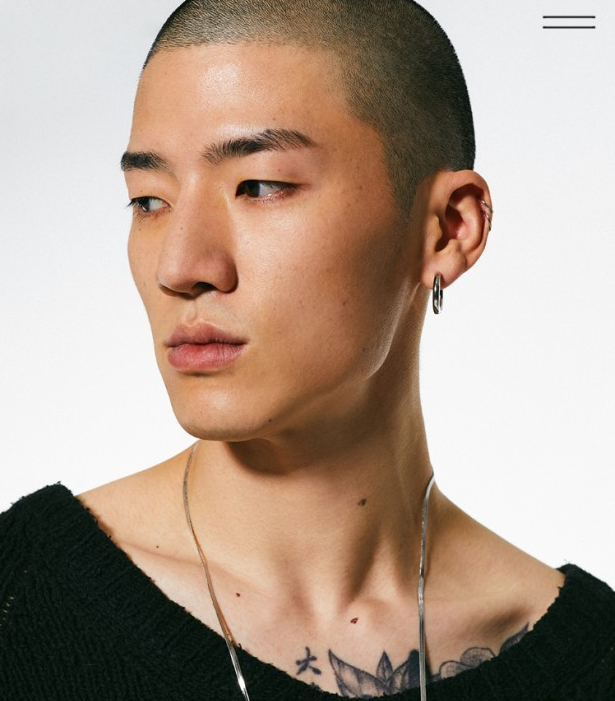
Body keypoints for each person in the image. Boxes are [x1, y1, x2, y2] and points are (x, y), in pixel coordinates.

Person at [1, 1, 613, 699]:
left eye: (259, 186)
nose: (181, 266)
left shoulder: (592, 662)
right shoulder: (19, 602)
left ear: (447, 229)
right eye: (148, 200)